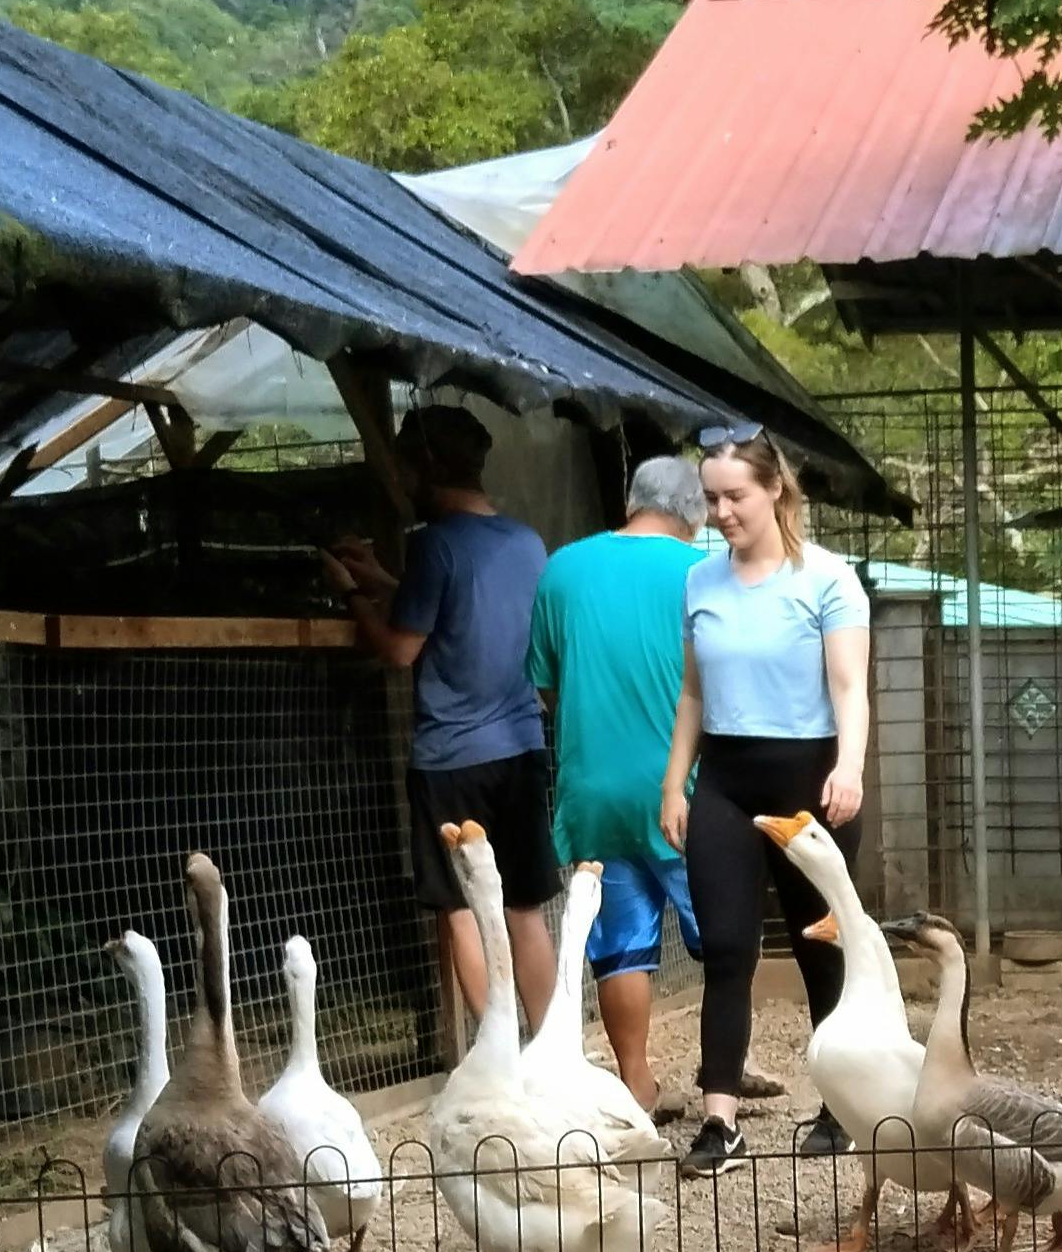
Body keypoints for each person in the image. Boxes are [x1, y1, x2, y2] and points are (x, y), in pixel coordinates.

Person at [660, 427, 872, 1176]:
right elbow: (692, 691)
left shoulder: (827, 579)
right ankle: (720, 1121)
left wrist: (849, 766)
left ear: (774, 490)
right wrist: (674, 781)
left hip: (809, 776)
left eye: (734, 496)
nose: (720, 512)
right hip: (724, 776)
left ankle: (843, 1103)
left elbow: (849, 686)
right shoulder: (699, 581)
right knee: (726, 947)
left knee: (821, 944)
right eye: (710, 498)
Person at [324, 404, 560, 1031]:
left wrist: (350, 592)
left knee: (460, 907)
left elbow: (403, 648)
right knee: (524, 905)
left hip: (451, 760)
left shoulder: (433, 544)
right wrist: (381, 576)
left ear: (426, 467)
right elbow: (463, 605)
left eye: (404, 469)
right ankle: (548, 1042)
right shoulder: (526, 541)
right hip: (521, 745)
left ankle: (493, 1047)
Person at [527, 456, 711, 1110]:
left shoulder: (562, 568)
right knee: (724, 936)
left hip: (592, 791)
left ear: (632, 499)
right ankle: (722, 1078)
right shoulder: (701, 573)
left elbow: (548, 683)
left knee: (622, 948)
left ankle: (637, 1084)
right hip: (684, 790)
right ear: (699, 510)